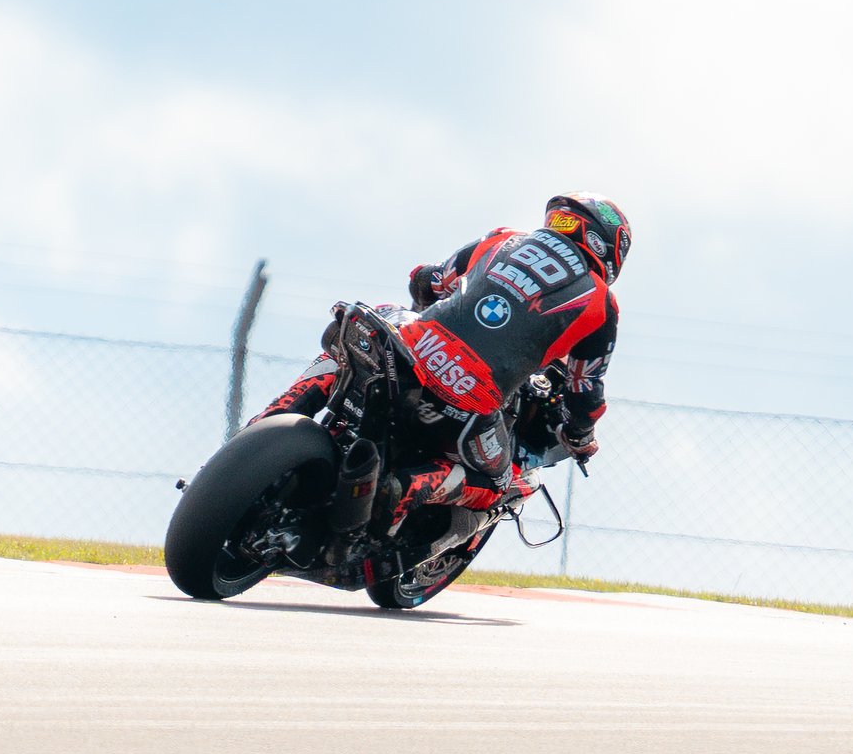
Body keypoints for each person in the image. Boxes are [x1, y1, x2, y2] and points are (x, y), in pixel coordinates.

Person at [255, 192, 631, 533]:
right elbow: (585, 388)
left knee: (358, 340)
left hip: (408, 353)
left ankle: (263, 427)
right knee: (502, 485)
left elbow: (428, 279)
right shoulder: (601, 304)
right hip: (466, 404)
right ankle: (407, 487)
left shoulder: (502, 239)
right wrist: (580, 437)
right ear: (607, 247)